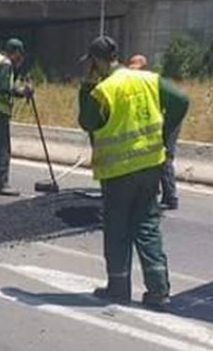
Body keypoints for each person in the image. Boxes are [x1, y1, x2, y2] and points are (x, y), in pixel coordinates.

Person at [78, 36, 189, 310]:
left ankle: (118, 287)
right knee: (147, 225)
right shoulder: (147, 79)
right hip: (151, 165)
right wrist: (164, 132)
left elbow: (87, 121)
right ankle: (159, 291)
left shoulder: (104, 88)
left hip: (119, 171)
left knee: (118, 228)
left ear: (95, 61)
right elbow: (181, 100)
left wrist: (86, 86)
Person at [0, 38, 34, 196]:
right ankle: (0, 184)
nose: (20, 59)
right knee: (1, 147)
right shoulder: (5, 64)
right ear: (16, 52)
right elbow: (4, 87)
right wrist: (23, 91)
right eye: (20, 55)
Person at [127, 53, 180, 210]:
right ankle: (154, 191)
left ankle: (171, 197)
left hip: (170, 120)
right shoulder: (140, 85)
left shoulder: (154, 82)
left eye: (137, 70)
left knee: (164, 156)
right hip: (158, 122)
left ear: (144, 68)